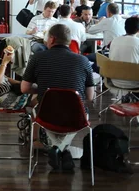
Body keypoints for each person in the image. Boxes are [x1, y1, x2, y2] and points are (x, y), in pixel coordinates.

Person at [21, 24, 95, 171]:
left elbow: (24, 88)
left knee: (42, 109)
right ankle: (63, 151)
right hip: (76, 116)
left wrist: (43, 89)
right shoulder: (83, 61)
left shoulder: (38, 58)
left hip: (46, 114)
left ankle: (57, 148)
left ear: (52, 39)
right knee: (78, 113)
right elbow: (89, 96)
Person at [108, 17, 139, 89]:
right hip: (135, 82)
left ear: (125, 27)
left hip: (115, 80)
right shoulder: (137, 42)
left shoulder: (114, 40)